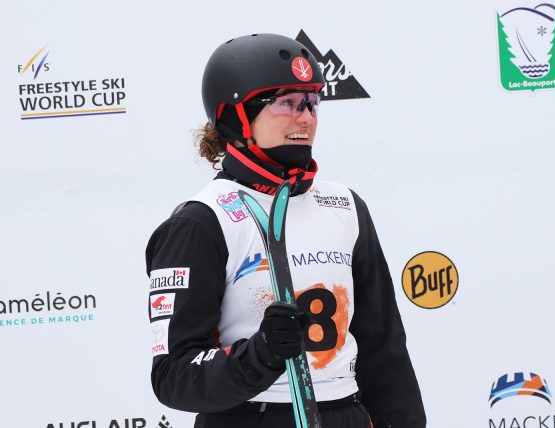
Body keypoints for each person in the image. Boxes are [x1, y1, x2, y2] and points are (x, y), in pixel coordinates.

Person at [146, 33, 426, 428]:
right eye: (286, 104)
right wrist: (257, 355)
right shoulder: (201, 221)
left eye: (312, 102)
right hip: (253, 417)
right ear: (236, 118)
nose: (306, 117)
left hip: (345, 413)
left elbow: (383, 346)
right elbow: (173, 376)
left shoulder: (344, 206)